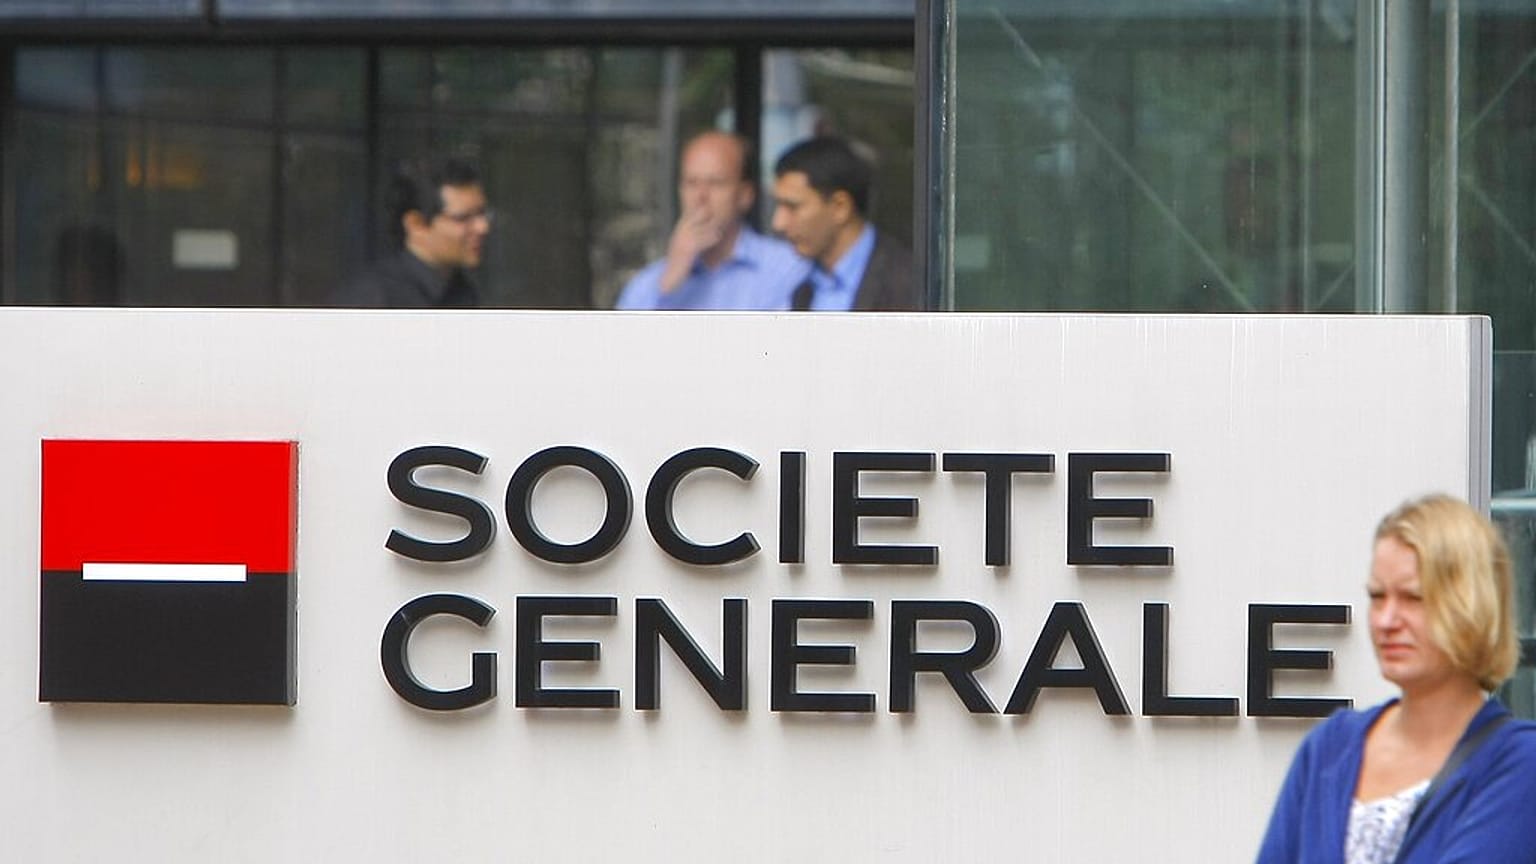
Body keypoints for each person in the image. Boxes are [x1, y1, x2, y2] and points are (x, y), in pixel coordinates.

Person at [1257, 494, 1536, 863]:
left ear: (1472, 604)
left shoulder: (1519, 763)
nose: (1387, 620)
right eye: (1377, 596)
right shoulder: (1329, 749)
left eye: (1413, 598)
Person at [616, 131, 808, 310]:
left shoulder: (787, 269)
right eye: (691, 183)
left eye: (716, 183)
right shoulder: (649, 284)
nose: (700, 197)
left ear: (745, 195)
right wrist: (670, 280)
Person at [770, 136, 923, 311]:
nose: (778, 223)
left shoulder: (909, 281)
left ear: (840, 207)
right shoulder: (799, 284)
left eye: (793, 207)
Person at [336, 157, 491, 307]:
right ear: (416, 224)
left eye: (482, 213)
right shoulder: (372, 298)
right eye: (463, 218)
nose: (482, 227)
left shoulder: (463, 291)